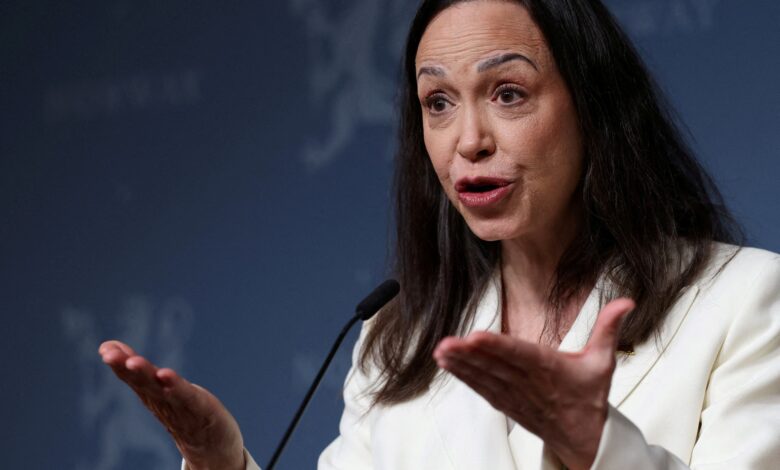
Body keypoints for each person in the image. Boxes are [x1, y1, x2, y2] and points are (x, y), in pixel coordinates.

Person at [99, 0, 780, 468]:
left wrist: (597, 446)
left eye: (508, 93)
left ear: (593, 106)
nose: (468, 141)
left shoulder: (746, 300)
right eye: (439, 103)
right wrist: (221, 465)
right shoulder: (396, 340)